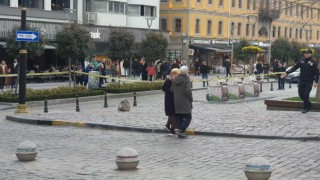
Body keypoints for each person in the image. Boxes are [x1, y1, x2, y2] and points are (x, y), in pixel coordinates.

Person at [281, 49, 319, 113]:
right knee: (301, 94)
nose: (305, 54)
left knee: (306, 95)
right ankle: (308, 104)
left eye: (307, 53)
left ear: (310, 54)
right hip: (301, 80)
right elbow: (294, 68)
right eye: (305, 53)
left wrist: (316, 81)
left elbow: (317, 73)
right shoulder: (301, 61)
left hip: (309, 82)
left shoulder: (314, 62)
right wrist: (286, 72)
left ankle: (305, 108)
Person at [171, 66, 193, 138]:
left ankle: (180, 133)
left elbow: (172, 90)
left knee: (180, 117)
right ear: (186, 72)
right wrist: (191, 98)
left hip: (177, 101)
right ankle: (181, 130)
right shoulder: (187, 79)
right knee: (188, 117)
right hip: (185, 101)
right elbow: (188, 91)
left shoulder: (175, 79)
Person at [162, 68, 181, 135]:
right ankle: (173, 130)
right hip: (170, 100)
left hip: (170, 99)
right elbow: (169, 90)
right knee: (173, 115)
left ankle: (167, 126)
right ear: (173, 74)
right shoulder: (170, 81)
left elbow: (163, 88)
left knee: (171, 114)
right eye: (177, 74)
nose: (178, 76)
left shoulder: (169, 80)